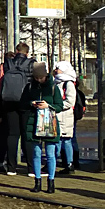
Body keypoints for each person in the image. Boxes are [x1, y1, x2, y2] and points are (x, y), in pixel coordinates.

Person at [22, 62, 64, 193]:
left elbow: (60, 106)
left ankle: (51, 182)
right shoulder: (29, 88)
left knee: (51, 154)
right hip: (34, 122)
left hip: (49, 123)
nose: (39, 80)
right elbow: (22, 103)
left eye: (41, 77)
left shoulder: (53, 88)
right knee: (36, 153)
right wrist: (31, 103)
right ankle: (37, 181)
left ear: (46, 75)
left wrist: (48, 106)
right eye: (36, 78)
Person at [0, 42, 35, 175]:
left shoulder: (7, 63)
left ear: (17, 51)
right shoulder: (32, 64)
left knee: (12, 135)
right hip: (26, 103)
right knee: (27, 135)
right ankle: (31, 168)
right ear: (27, 52)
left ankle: (11, 167)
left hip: (9, 102)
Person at [52, 60, 78, 175]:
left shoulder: (68, 83)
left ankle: (68, 164)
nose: (56, 70)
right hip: (57, 116)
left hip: (65, 116)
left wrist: (57, 106)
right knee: (58, 139)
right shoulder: (57, 82)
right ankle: (59, 163)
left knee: (65, 140)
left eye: (58, 68)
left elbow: (70, 101)